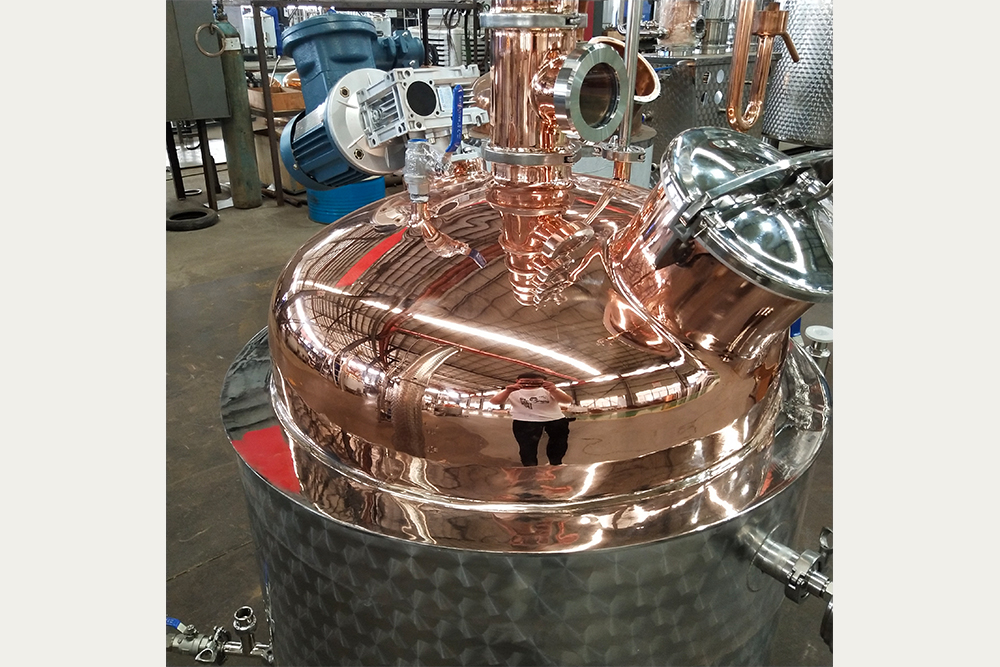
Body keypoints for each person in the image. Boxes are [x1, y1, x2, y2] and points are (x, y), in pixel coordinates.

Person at [489, 372, 574, 466]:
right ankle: (530, 467)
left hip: (554, 419)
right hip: (524, 420)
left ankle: (555, 463)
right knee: (527, 447)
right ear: (517, 381)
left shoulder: (550, 389)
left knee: (559, 443)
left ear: (543, 382)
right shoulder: (511, 390)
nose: (530, 384)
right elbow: (494, 401)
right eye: (526, 382)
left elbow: (567, 400)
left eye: (535, 382)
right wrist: (507, 391)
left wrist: (554, 390)